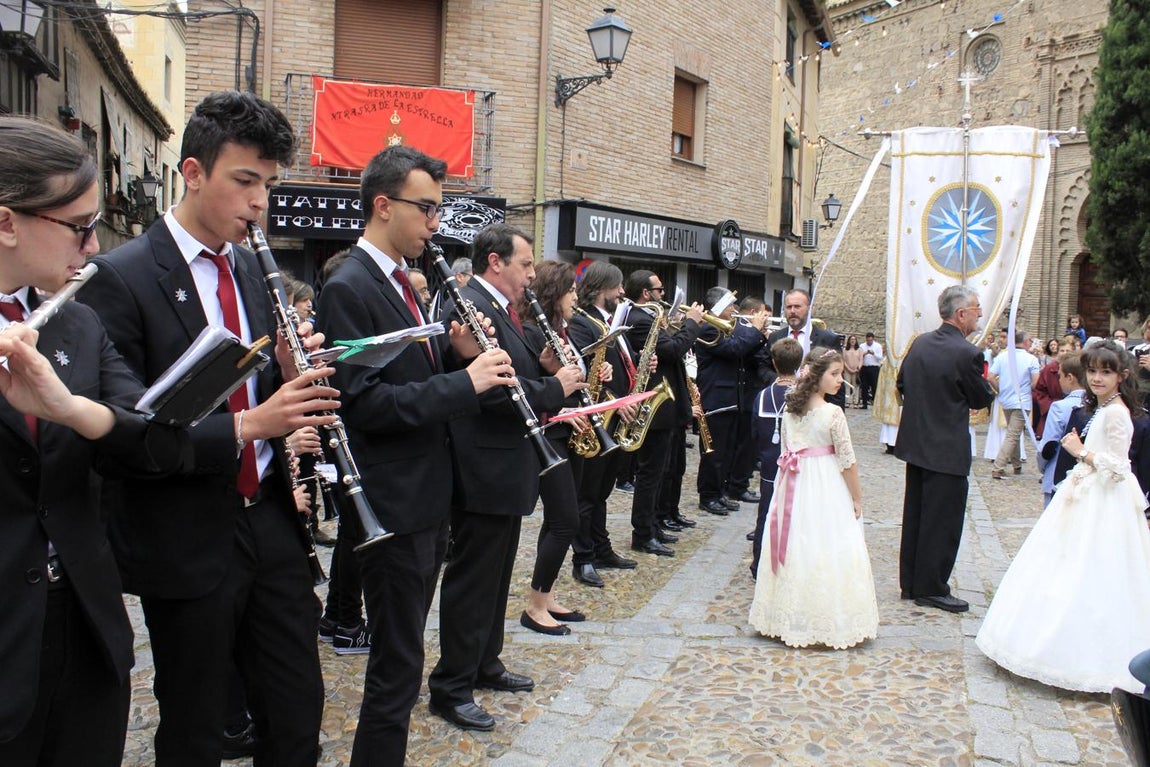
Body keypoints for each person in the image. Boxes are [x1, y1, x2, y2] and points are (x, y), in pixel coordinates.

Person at [77, 91, 341, 767]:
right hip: (185, 531)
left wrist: (287, 373)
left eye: (270, 185)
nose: (260, 203)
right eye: (244, 181)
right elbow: (122, 437)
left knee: (295, 711)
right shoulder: (122, 275)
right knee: (195, 726)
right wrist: (254, 421)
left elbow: (258, 388)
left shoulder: (256, 267)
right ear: (193, 173)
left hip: (270, 522)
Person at [0, 115, 191, 766]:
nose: (91, 246)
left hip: (82, 625)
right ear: (7, 223)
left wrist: (74, 408)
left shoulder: (77, 324)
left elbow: (160, 441)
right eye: (79, 227)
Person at [317, 146, 517, 762]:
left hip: (426, 496)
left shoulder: (395, 279)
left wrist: (453, 356)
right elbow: (364, 405)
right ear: (383, 205)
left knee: (405, 656)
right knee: (398, 662)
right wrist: (467, 381)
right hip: (395, 501)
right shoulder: (350, 284)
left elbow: (404, 375)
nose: (435, 224)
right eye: (426, 208)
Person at [427, 223, 583, 732]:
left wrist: (541, 369)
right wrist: (555, 387)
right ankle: (451, 685)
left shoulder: (503, 308)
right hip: (482, 464)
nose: (531, 274)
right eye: (524, 264)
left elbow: (516, 377)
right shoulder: (468, 302)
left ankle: (484, 662)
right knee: (472, 580)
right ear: (496, 262)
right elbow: (492, 393)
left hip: (506, 463)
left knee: (496, 578)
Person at [976, 341, 1150, 693]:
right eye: (1092, 371)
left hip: (1103, 500)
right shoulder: (1104, 407)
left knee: (1093, 568)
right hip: (1088, 492)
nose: (1097, 378)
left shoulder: (1117, 413)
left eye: (1106, 372)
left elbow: (1118, 468)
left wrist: (1081, 452)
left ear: (1122, 376)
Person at [748, 347, 878, 648]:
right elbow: (847, 461)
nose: (839, 380)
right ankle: (824, 616)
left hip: (793, 481)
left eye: (840, 373)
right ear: (816, 376)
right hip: (823, 484)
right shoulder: (833, 413)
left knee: (799, 543)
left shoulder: (792, 410)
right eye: (834, 374)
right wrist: (856, 498)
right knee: (824, 543)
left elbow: (785, 453)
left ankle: (787, 613)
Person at [895, 285, 996, 613]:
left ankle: (911, 582)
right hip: (947, 449)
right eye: (976, 308)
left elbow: (902, 384)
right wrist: (989, 386)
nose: (980, 314)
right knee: (943, 523)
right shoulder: (967, 353)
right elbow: (980, 398)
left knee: (917, 516)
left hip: (917, 445)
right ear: (961, 313)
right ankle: (932, 587)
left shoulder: (920, 343)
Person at [515, 260, 591, 635]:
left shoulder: (565, 329)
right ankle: (534, 606)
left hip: (569, 433)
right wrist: (561, 410)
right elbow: (531, 389)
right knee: (566, 521)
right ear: (554, 293)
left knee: (559, 520)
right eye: (571, 290)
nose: (576, 297)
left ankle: (547, 596)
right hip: (551, 434)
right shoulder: (531, 332)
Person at [566, 261, 639, 588]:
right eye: (617, 286)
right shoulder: (584, 322)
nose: (621, 292)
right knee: (586, 494)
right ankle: (583, 558)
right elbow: (586, 370)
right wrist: (614, 400)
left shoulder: (609, 322)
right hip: (597, 419)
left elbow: (619, 363)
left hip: (614, 417)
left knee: (601, 492)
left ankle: (601, 547)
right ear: (599, 289)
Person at [622, 271, 703, 544]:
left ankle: (654, 525)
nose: (663, 294)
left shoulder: (649, 317)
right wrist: (692, 324)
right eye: (659, 289)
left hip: (667, 407)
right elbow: (672, 350)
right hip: (656, 409)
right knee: (650, 474)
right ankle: (643, 533)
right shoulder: (640, 319)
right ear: (646, 293)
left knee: (662, 471)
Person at [694, 286, 768, 513]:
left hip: (731, 397)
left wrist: (759, 336)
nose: (734, 310)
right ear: (718, 307)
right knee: (714, 453)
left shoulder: (727, 328)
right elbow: (735, 349)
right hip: (716, 398)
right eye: (730, 306)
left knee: (726, 452)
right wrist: (754, 330)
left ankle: (719, 492)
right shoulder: (708, 329)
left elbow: (744, 350)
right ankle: (708, 496)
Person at [749, 338, 802, 578]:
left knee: (766, 514)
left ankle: (758, 564)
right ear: (799, 364)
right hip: (797, 465)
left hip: (769, 463)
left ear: (773, 362)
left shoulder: (762, 396)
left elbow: (753, 430)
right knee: (795, 515)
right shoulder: (804, 396)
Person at [765, 289, 844, 408]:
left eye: (797, 306)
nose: (792, 311)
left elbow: (836, 376)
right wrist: (783, 381)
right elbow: (764, 368)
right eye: (788, 307)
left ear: (809, 308)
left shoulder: (828, 339)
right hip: (781, 404)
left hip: (816, 408)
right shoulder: (775, 337)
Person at [988, 330, 1041, 479]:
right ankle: (998, 467)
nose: (1030, 343)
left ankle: (1017, 464)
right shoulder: (1031, 359)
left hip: (1006, 400)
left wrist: (1000, 390)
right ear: (1024, 342)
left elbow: (991, 377)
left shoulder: (1002, 356)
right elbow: (1036, 382)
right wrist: (1027, 388)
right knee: (1013, 433)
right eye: (1029, 340)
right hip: (1021, 401)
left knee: (1015, 431)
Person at [1037, 351, 1086, 507]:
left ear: (1070, 378)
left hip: (1058, 472)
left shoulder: (1060, 407)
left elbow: (1048, 445)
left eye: (1060, 376)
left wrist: (1042, 465)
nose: (1058, 380)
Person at [858, 332, 884, 408]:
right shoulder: (862, 346)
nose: (869, 342)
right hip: (864, 367)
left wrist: (873, 354)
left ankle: (875, 403)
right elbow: (859, 356)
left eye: (870, 340)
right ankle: (864, 404)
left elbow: (880, 357)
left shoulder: (878, 346)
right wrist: (864, 353)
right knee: (864, 386)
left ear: (873, 339)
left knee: (874, 386)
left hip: (874, 368)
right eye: (868, 340)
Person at [842, 335, 862, 407]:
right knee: (847, 386)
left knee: (856, 386)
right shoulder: (845, 350)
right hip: (847, 370)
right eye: (851, 339)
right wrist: (849, 369)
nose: (853, 341)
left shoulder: (859, 350)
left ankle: (856, 402)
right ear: (849, 340)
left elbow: (861, 360)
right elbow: (843, 360)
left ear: (856, 341)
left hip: (856, 370)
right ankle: (848, 401)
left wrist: (858, 368)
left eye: (854, 339)